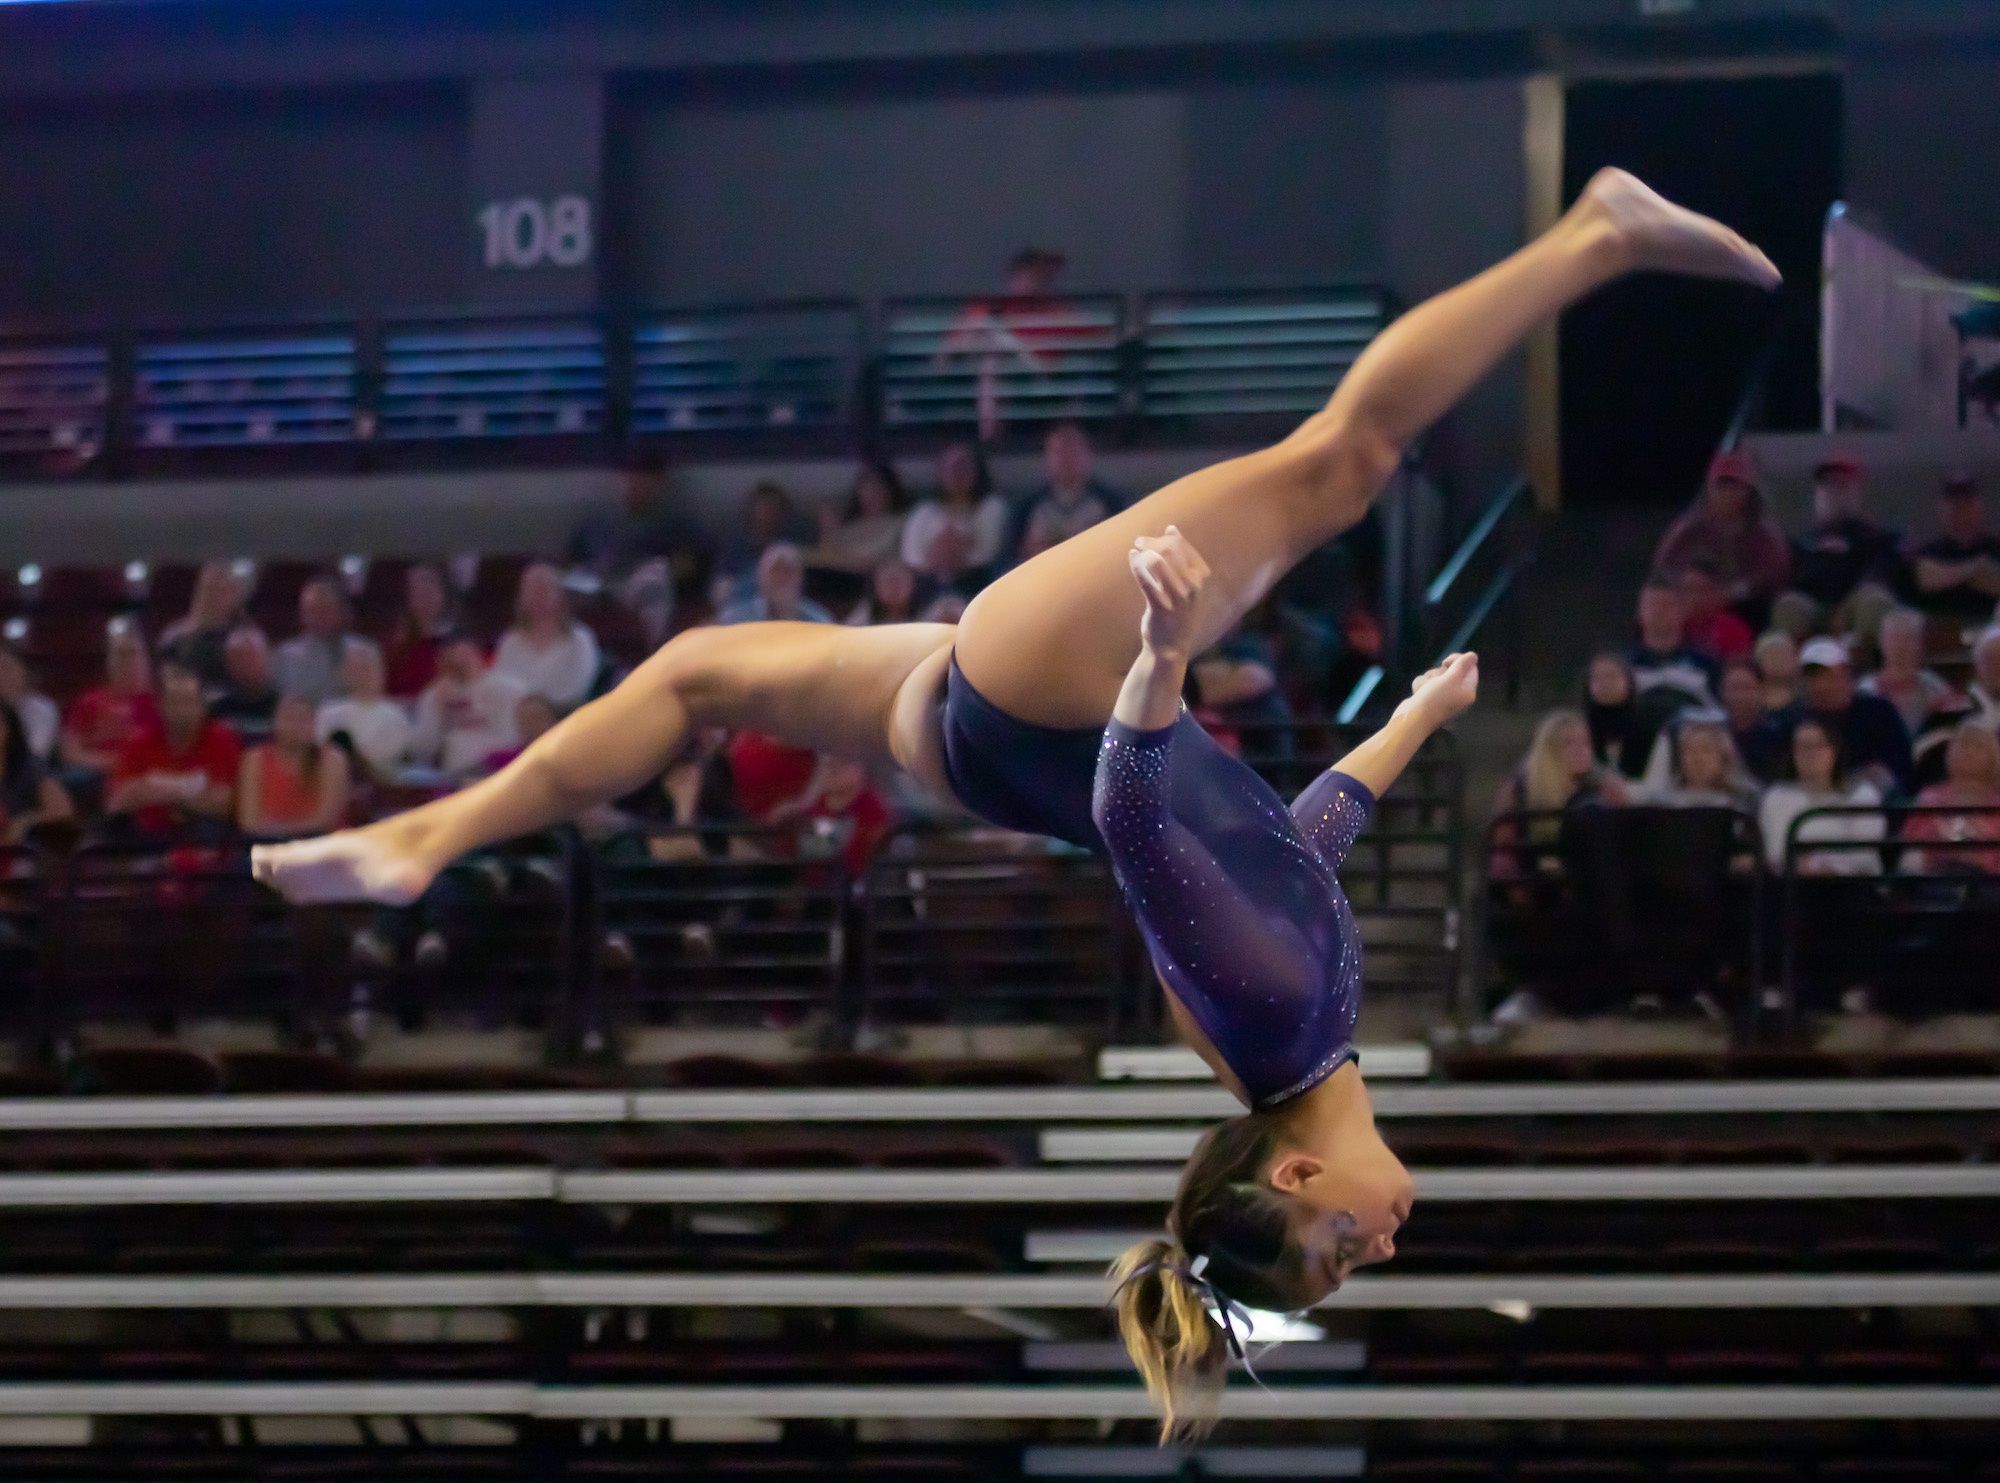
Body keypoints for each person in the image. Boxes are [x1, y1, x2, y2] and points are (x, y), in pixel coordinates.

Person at [250, 170, 1779, 1432]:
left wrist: (1163, 660)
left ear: (1295, 1177)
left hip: (1052, 706)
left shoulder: (1272, 1016)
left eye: (1337, 1246)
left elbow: (1137, 818)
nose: (1377, 1241)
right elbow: (1296, 839)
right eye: (1356, 1264)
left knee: (1341, 460)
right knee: (702, 675)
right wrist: (1412, 727)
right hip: (977, 737)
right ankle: (426, 837)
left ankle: (1596, 236)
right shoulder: (1297, 1027)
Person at [1773, 454, 1903, 639]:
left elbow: (1882, 573)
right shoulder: (1801, 541)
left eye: (1841, 485)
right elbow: (1791, 580)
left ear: (1856, 493)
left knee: (1874, 600)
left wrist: (1843, 611)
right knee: (1787, 605)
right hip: (1814, 608)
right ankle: (1802, 664)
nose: (1833, 492)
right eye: (1827, 486)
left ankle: (1862, 662)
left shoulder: (1878, 538)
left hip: (1856, 604)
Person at [1651, 449, 1790, 621]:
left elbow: (1775, 573)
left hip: (1747, 609)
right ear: (1709, 488)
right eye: (1721, 486)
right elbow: (1664, 568)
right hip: (1690, 604)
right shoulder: (1688, 528)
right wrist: (1692, 590)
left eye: (1735, 486)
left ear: (1748, 492)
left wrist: (1731, 593)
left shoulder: (1763, 532)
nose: (1727, 493)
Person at [107, 663, 242, 836]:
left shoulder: (222, 739)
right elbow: (117, 802)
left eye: (188, 702)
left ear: (202, 706)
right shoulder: (138, 742)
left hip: (206, 839)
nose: (181, 711)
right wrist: (194, 792)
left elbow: (226, 804)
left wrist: (157, 791)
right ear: (160, 706)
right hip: (149, 840)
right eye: (174, 702)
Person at [1772, 636, 1912, 796]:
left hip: (1868, 801)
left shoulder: (1879, 713)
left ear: (1845, 674)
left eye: (1826, 674)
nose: (1818, 684)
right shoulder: (1791, 721)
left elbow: (1900, 767)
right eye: (1811, 676)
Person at [1758, 716, 1884, 876]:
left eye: (1816, 746)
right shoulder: (1776, 796)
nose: (1808, 754)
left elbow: (1862, 857)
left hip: (1849, 888)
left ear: (1834, 751)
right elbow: (1775, 853)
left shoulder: (1863, 796)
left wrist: (1818, 866)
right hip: (1790, 887)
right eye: (1801, 746)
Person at [407, 635, 528, 779]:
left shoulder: (507, 688)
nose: (460, 662)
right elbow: (422, 750)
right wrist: (439, 709)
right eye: (451, 659)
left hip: (500, 771)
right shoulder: (434, 695)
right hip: (454, 775)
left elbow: (514, 740)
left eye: (465, 655)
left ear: (477, 655)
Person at [236, 694, 351, 840]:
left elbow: (325, 820)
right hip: (269, 845)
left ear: (314, 723)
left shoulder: (332, 760)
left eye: (303, 719)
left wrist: (278, 828)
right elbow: (248, 822)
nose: (295, 725)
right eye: (289, 718)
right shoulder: (255, 759)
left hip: (321, 844)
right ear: (274, 721)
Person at [491, 563, 602, 709]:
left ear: (559, 596)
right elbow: (502, 682)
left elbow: (579, 686)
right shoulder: (510, 641)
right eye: (532, 592)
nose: (538, 599)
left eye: (544, 591)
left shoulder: (579, 639)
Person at [900, 443, 1010, 590]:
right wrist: (937, 558)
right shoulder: (923, 511)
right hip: (926, 586)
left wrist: (958, 556)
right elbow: (911, 556)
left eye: (962, 467)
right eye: (949, 468)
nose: (956, 474)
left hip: (980, 584)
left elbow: (990, 553)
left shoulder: (992, 508)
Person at [61, 618, 160, 781]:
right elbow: (70, 751)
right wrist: (109, 763)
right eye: (120, 654)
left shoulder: (159, 705)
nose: (127, 662)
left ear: (145, 659)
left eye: (133, 654)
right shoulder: (89, 702)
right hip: (95, 776)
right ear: (109, 660)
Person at [1902, 722, 2000, 875]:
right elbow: (1913, 849)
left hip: (1988, 885)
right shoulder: (1929, 799)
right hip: (1935, 882)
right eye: (1963, 745)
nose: (1969, 752)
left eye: (1977, 746)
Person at [1908, 472, 2000, 626]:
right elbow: (1927, 579)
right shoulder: (1929, 551)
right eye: (1955, 503)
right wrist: (1978, 567)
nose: (1961, 510)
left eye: (1967, 502)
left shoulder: (1995, 548)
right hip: (1941, 635)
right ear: (1942, 508)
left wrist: (1952, 575)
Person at [1020, 422, 1122, 560]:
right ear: (1047, 458)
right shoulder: (1028, 507)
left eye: (1073, 451)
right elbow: (1011, 558)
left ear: (1088, 456)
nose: (1066, 459)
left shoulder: (1112, 504)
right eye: (1059, 452)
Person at [274, 575, 378, 706]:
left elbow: (375, 701)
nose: (319, 617)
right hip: (305, 724)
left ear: (340, 611)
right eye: (312, 610)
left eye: (325, 609)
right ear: (302, 614)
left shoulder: (365, 650)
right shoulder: (286, 656)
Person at [316, 644, 412, 784]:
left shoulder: (395, 715)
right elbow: (319, 749)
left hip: (379, 784)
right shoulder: (328, 711)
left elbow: (384, 758)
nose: (358, 674)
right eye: (352, 668)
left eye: (364, 668)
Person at [1859, 607, 1952, 739]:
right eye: (1894, 638)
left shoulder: (1936, 688)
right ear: (1881, 643)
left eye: (1909, 639)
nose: (1901, 646)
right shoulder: (1866, 692)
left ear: (1921, 644)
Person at [1638, 713, 1757, 810]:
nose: (1697, 758)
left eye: (1706, 750)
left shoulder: (1742, 805)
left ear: (1724, 758)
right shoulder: (1661, 805)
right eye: (1690, 750)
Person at [159, 560, 247, 690]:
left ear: (234, 596)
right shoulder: (174, 635)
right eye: (209, 589)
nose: (214, 596)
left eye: (222, 590)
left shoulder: (244, 636)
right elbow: (171, 682)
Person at [810, 461, 910, 575]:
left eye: (878, 488)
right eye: (867, 489)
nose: (872, 496)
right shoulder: (848, 530)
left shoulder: (901, 524)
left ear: (890, 492)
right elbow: (825, 563)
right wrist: (828, 530)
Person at [1626, 577, 1717, 702]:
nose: (1658, 611)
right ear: (1639, 612)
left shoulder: (1706, 663)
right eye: (1652, 604)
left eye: (1666, 604)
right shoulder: (1625, 666)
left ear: (1682, 610)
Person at [0, 702, 73, 844]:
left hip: (22, 853)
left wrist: (26, 821)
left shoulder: (30, 766)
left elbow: (62, 812)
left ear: (10, 728)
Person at [384, 562, 455, 699]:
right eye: (418, 590)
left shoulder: (458, 640)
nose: (426, 596)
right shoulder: (395, 646)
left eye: (431, 588)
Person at [717, 544, 836, 626]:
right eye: (775, 571)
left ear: (800, 579)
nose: (781, 578)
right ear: (761, 577)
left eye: (787, 571)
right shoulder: (734, 620)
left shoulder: (819, 621)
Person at [1717, 658, 1785, 782]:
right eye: (1734, 688)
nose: (1739, 696)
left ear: (1762, 690)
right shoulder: (1714, 734)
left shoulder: (1778, 737)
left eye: (1747, 688)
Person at [208, 626, 280, 739]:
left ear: (267, 659)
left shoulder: (282, 707)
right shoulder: (216, 707)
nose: (245, 664)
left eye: (251, 657)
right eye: (238, 658)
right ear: (228, 664)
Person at [1677, 561, 1754, 661]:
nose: (1693, 597)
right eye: (1688, 590)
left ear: (1716, 593)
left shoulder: (1732, 630)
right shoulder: (1669, 625)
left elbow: (1739, 670)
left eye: (1701, 590)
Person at [1583, 652, 1643, 776]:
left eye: (1612, 676)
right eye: (1597, 678)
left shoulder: (1647, 726)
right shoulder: (1580, 727)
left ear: (1628, 681)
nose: (1605, 683)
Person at [0, 644, 60, 762]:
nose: (3, 675)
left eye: (7, 669)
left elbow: (36, 752)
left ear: (24, 672)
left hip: (25, 772)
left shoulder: (42, 709)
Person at [844, 559, 922, 627]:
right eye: (887, 582)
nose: (893, 588)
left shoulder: (928, 618)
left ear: (914, 584)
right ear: (874, 586)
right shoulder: (860, 621)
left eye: (899, 582)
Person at [1753, 628, 1801, 713]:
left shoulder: (1805, 700)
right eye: (1773, 656)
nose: (1778, 661)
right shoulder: (1749, 697)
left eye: (1783, 656)